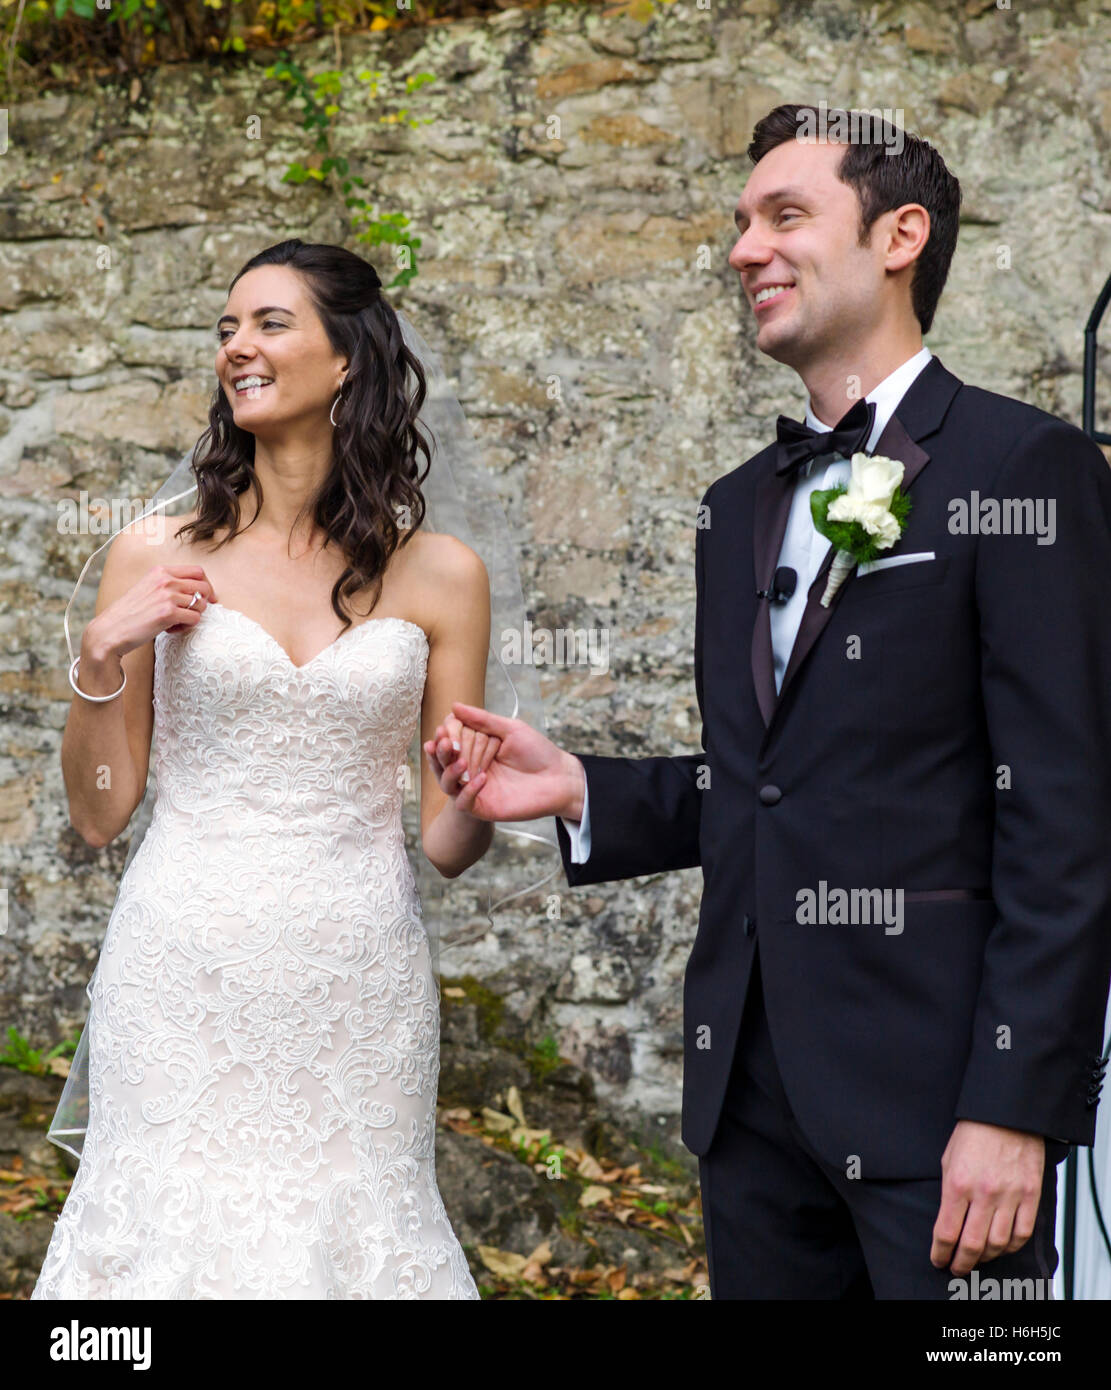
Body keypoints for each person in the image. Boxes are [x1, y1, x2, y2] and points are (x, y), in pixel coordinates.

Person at [427, 105, 1111, 1299]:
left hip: (942, 1121)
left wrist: (1015, 1107)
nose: (743, 248)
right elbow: (783, 783)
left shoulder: (1023, 469)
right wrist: (587, 789)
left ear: (901, 235)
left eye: (783, 215)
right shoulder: (736, 502)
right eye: (741, 223)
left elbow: (1069, 814)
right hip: (748, 1113)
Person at [33, 239, 511, 1299]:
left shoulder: (443, 574)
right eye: (226, 329)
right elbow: (99, 815)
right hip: (182, 967)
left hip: (357, 977)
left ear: (348, 359)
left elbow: (448, 844)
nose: (237, 347)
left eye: (269, 323)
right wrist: (103, 654)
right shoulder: (155, 551)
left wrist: (474, 791)